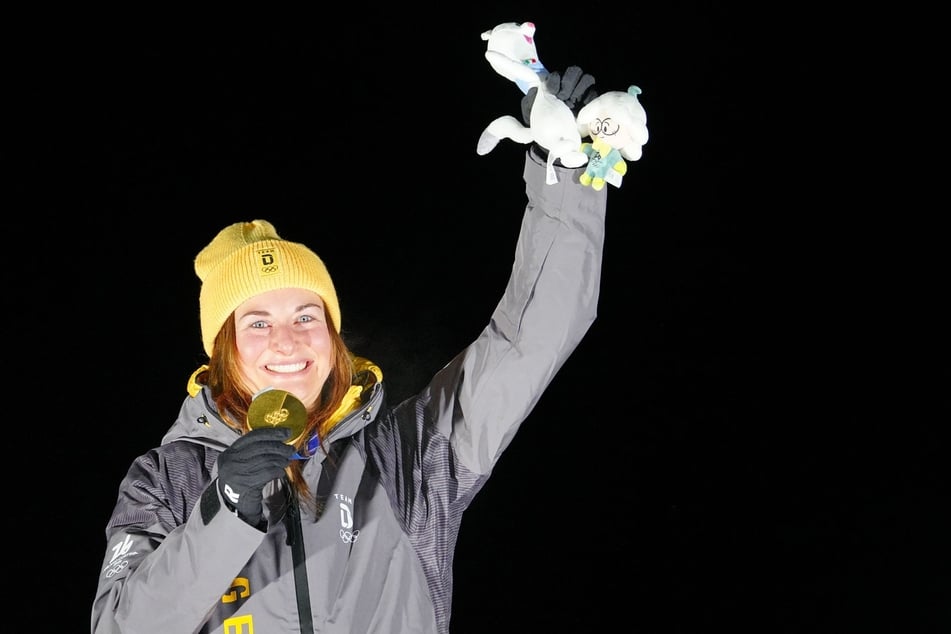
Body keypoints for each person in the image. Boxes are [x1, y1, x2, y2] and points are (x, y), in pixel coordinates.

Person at [91, 66, 623, 634]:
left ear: (333, 336)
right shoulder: (165, 479)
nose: (288, 341)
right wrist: (224, 506)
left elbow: (528, 342)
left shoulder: (409, 460)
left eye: (305, 315)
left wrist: (564, 173)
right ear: (223, 350)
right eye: (257, 323)